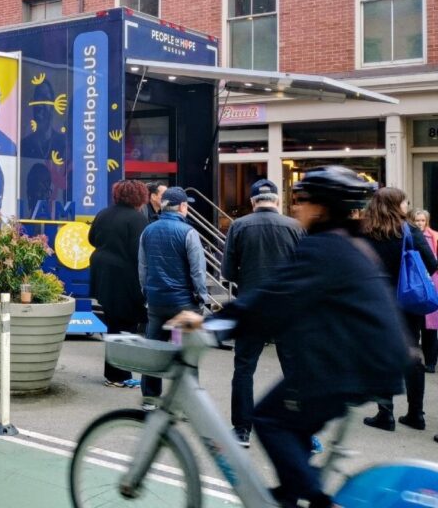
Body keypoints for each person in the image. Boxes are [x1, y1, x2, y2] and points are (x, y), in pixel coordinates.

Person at [167, 166, 411, 508]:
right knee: (292, 426)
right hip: (368, 358)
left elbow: (272, 297)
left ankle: (316, 499)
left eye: (302, 200)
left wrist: (212, 324)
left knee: (269, 419)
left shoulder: (324, 247)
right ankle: (289, 494)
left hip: (347, 363)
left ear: (321, 207)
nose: (296, 208)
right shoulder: (345, 243)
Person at [221, 179, 304, 447]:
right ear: (277, 201)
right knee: (293, 370)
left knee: (244, 368)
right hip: (288, 308)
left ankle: (242, 429)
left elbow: (227, 273)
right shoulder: (295, 227)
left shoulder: (239, 226)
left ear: (253, 202)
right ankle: (297, 427)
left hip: (251, 306)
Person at [360, 187, 435, 432]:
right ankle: (416, 414)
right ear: (395, 205)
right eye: (404, 202)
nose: (406, 206)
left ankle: (386, 414)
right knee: (413, 356)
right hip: (408, 301)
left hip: (377, 301)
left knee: (382, 355)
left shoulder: (366, 231)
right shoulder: (410, 231)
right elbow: (432, 264)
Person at [137, 186, 209, 410]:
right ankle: (187, 401)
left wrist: (147, 292)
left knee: (155, 350)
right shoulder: (189, 233)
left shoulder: (148, 231)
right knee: (187, 352)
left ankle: (150, 398)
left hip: (157, 301)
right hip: (184, 304)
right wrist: (201, 296)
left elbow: (143, 267)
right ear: (183, 207)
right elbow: (198, 270)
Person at [88, 179, 149, 388]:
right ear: (139, 197)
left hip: (102, 274)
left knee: (114, 323)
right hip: (125, 278)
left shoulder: (103, 214)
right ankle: (120, 376)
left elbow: (91, 239)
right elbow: (140, 252)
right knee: (126, 326)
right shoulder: (137, 219)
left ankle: (113, 374)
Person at [411, 208, 438, 374]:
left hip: (433, 283)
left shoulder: (434, 236)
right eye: (417, 220)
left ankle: (431, 362)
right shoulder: (409, 237)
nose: (420, 223)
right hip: (415, 283)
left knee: (431, 326)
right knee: (416, 323)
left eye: (422, 220)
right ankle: (415, 362)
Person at [20, 80, 66, 161]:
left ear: (53, 107)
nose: (40, 105)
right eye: (37, 99)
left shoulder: (63, 143)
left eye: (45, 99)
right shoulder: (24, 145)